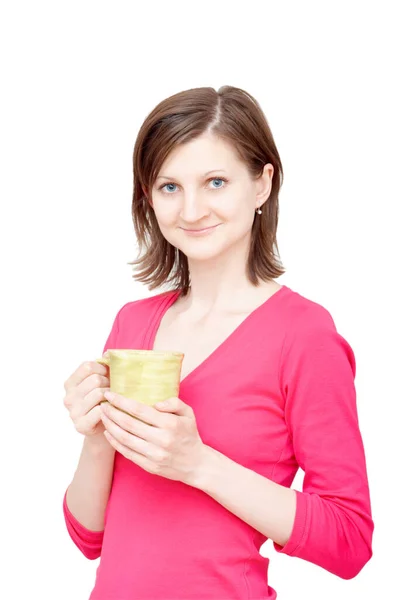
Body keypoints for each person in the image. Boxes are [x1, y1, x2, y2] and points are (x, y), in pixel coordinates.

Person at [62, 85, 373, 600]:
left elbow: (349, 540)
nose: (191, 210)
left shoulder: (304, 335)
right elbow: (88, 537)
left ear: (261, 185)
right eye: (168, 186)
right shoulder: (131, 324)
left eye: (215, 182)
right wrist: (96, 437)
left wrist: (198, 464)